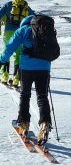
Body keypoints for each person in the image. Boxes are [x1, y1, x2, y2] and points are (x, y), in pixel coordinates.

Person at [0, 15, 52, 143]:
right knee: (42, 96)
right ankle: (45, 124)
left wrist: (1, 60)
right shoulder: (46, 29)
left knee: (25, 95)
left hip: (26, 68)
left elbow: (10, 46)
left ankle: (23, 124)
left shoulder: (23, 30)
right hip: (44, 68)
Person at [0, 0, 34, 86]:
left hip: (8, 32)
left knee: (6, 52)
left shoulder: (8, 4)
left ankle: (4, 76)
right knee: (18, 56)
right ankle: (16, 79)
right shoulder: (26, 6)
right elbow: (34, 18)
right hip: (20, 33)